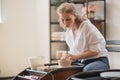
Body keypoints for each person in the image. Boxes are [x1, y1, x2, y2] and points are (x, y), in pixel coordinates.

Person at [57, 3, 110, 71]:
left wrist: (75, 57)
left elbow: (95, 51)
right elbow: (74, 51)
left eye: (68, 19)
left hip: (98, 60)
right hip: (82, 62)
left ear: (75, 16)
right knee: (62, 70)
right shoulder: (69, 31)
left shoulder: (86, 27)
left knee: (86, 70)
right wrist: (66, 58)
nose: (65, 23)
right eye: (62, 19)